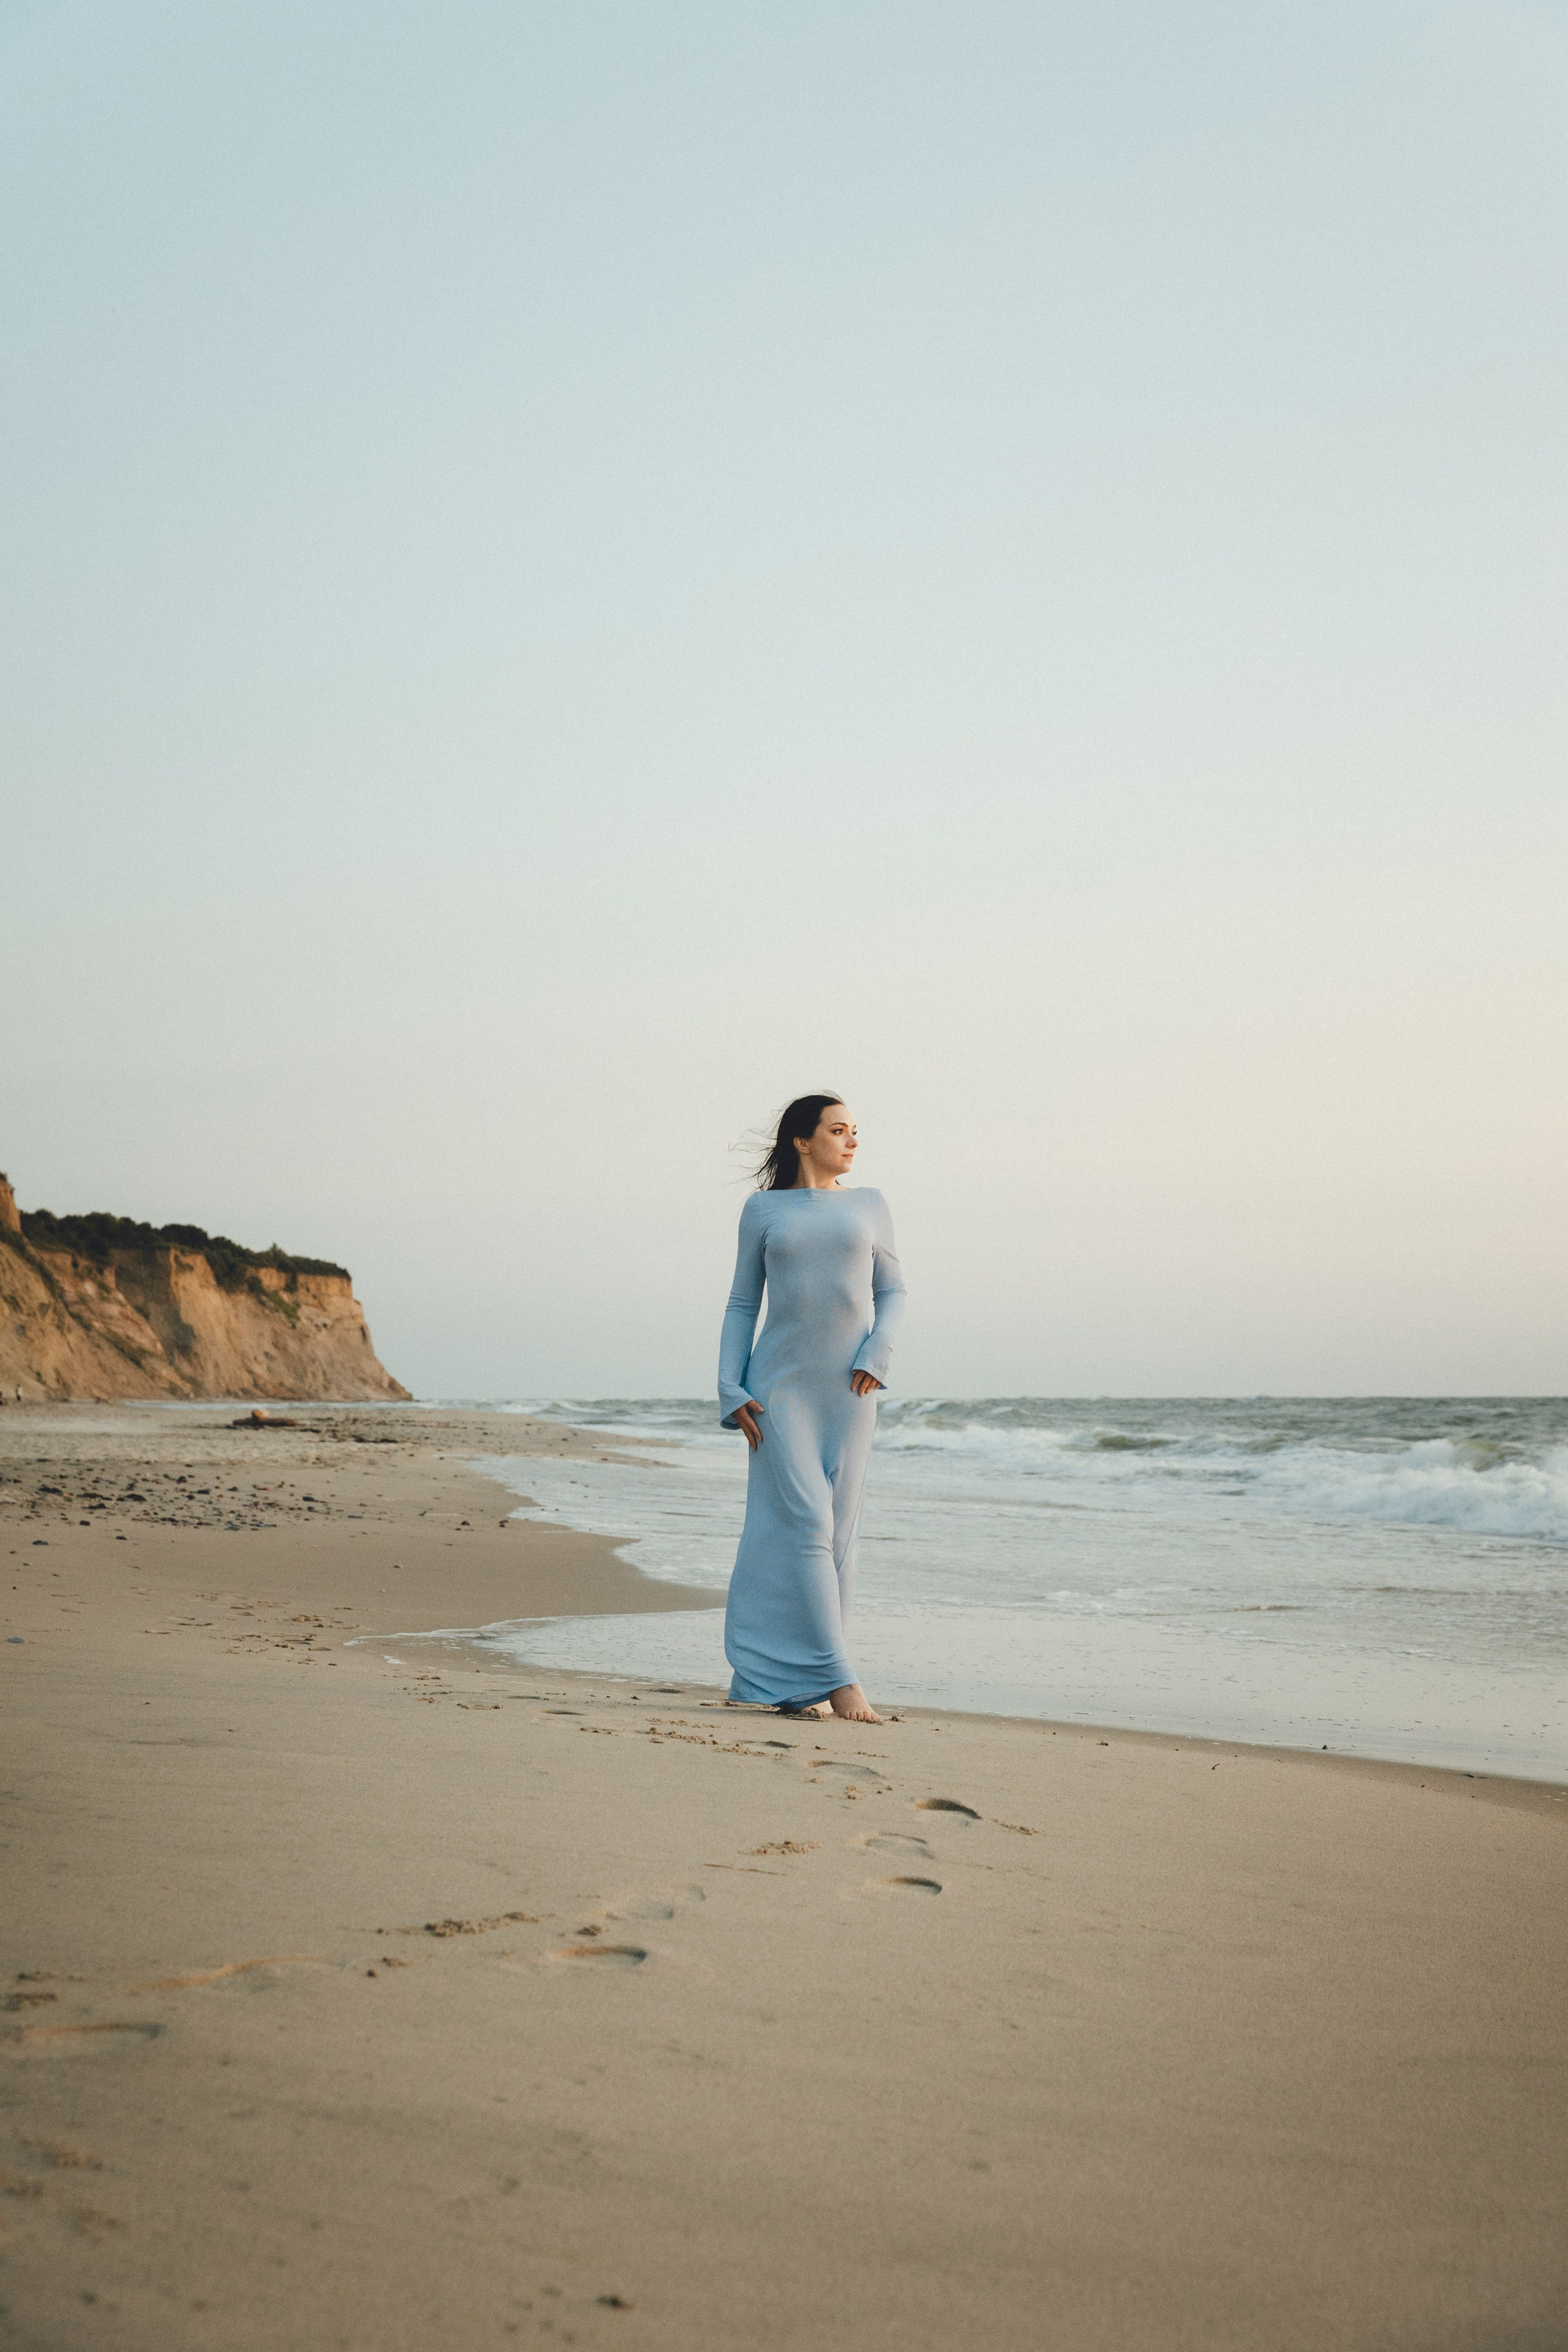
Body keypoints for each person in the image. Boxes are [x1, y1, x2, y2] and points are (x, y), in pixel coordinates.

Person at [717, 1093, 907, 1722]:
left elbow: (894, 1291)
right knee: (805, 1525)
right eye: (837, 1130)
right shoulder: (763, 1210)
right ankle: (839, 1680)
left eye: (856, 1131)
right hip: (779, 1389)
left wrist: (878, 1351)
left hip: (851, 1390)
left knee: (839, 1535)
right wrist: (729, 1386)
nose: (851, 1141)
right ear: (803, 1140)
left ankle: (796, 1686)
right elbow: (743, 1303)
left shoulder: (869, 1205)